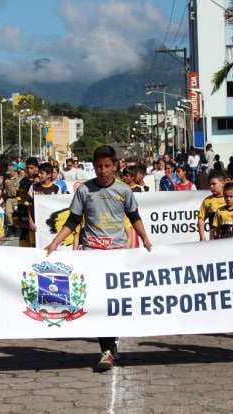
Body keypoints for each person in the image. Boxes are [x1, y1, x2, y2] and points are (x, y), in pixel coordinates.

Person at [44, 145, 152, 372]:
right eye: (98, 167)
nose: (102, 171)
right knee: (99, 301)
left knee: (115, 301)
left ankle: (110, 343)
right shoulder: (84, 190)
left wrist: (146, 240)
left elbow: (134, 217)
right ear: (93, 167)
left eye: (107, 166)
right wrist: (55, 242)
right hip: (92, 253)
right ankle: (107, 349)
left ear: (115, 166)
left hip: (117, 253)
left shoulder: (124, 191)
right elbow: (73, 220)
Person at [28, 162, 60, 234]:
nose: (39, 175)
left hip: (50, 225)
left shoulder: (57, 189)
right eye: (38, 173)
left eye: (41, 173)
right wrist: (30, 221)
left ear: (49, 175)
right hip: (35, 224)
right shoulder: (33, 187)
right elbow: (30, 206)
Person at [16, 157, 39, 247]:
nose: (29, 170)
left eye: (31, 168)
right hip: (24, 213)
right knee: (24, 238)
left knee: (36, 240)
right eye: (28, 168)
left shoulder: (41, 181)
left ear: (37, 168)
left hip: (37, 215)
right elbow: (20, 198)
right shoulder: (23, 182)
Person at [198, 171, 226, 241]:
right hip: (214, 238)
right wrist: (202, 237)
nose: (211, 186)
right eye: (210, 184)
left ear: (223, 183)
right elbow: (201, 219)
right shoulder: (207, 200)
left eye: (214, 184)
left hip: (231, 236)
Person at [3, 166, 20, 235]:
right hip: (9, 198)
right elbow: (3, 189)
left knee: (16, 214)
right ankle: (11, 227)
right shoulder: (6, 180)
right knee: (8, 213)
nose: (9, 174)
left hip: (17, 198)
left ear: (13, 172)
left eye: (10, 172)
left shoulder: (18, 179)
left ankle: (17, 228)